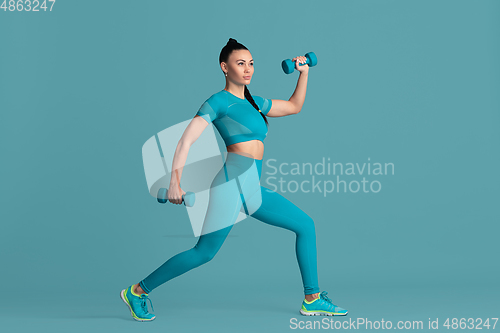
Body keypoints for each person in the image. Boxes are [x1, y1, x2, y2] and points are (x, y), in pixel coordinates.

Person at [120, 38, 348, 322]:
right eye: (241, 64)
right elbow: (186, 141)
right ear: (224, 67)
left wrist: (304, 74)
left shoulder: (254, 101)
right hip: (231, 184)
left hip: (251, 187)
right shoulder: (218, 101)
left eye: (251, 63)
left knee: (305, 225)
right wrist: (175, 182)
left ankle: (312, 299)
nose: (248, 69)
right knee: (203, 253)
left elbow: (293, 106)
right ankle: (137, 291)